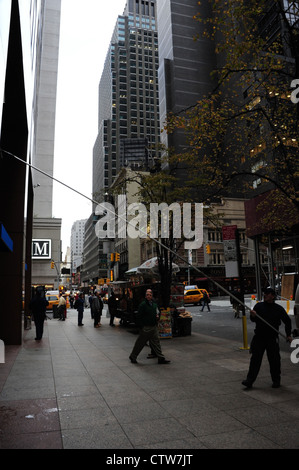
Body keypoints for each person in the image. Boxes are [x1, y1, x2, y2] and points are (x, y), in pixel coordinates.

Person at [242, 287, 292, 389]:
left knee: (274, 360)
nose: (265, 295)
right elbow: (253, 320)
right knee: (255, 360)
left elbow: (287, 321)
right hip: (259, 337)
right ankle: (249, 380)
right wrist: (253, 316)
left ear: (272, 296)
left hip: (272, 338)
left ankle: (276, 380)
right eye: (264, 293)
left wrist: (288, 335)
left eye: (268, 293)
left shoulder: (278, 309)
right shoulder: (259, 306)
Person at [129, 289, 171, 364]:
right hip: (146, 327)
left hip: (153, 326)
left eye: (150, 295)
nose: (148, 296)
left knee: (156, 342)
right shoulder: (143, 305)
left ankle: (160, 357)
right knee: (140, 343)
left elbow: (157, 312)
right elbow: (139, 316)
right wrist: (141, 326)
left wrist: (157, 316)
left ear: (152, 296)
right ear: (145, 296)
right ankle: (133, 356)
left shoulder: (154, 304)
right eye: (147, 295)